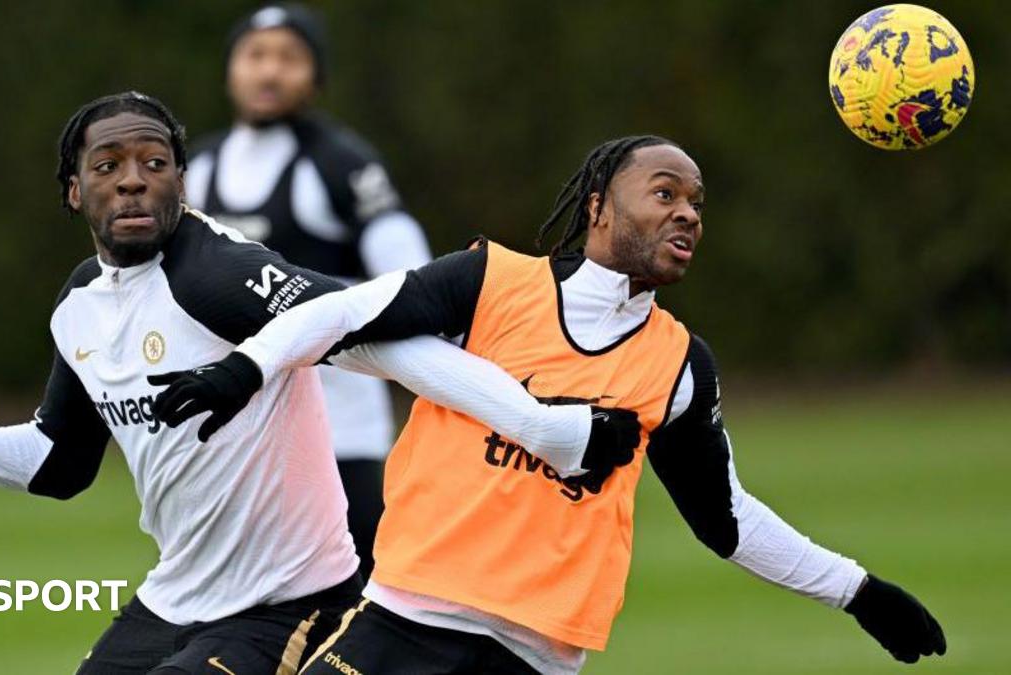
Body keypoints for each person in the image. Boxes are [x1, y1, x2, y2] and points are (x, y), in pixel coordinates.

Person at [0, 91, 623, 675]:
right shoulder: (78, 307)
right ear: (75, 191)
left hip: (292, 601)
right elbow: (56, 464)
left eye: (154, 163)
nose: (133, 180)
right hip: (174, 599)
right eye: (108, 166)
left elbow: (366, 331)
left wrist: (540, 425)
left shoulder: (216, 273)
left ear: (182, 181)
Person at [159, 136, 948, 673]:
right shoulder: (489, 283)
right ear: (600, 204)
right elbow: (343, 315)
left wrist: (859, 592)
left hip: (535, 657)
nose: (688, 213)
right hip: (401, 626)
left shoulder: (678, 365)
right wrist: (246, 369)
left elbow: (727, 520)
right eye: (665, 192)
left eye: (698, 203)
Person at [184, 3, 433, 580]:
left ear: (315, 77)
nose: (270, 72)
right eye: (256, 55)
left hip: (340, 438)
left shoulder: (342, 165)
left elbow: (411, 276)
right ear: (231, 69)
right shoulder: (196, 168)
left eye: (289, 58)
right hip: (234, 436)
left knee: (358, 605)